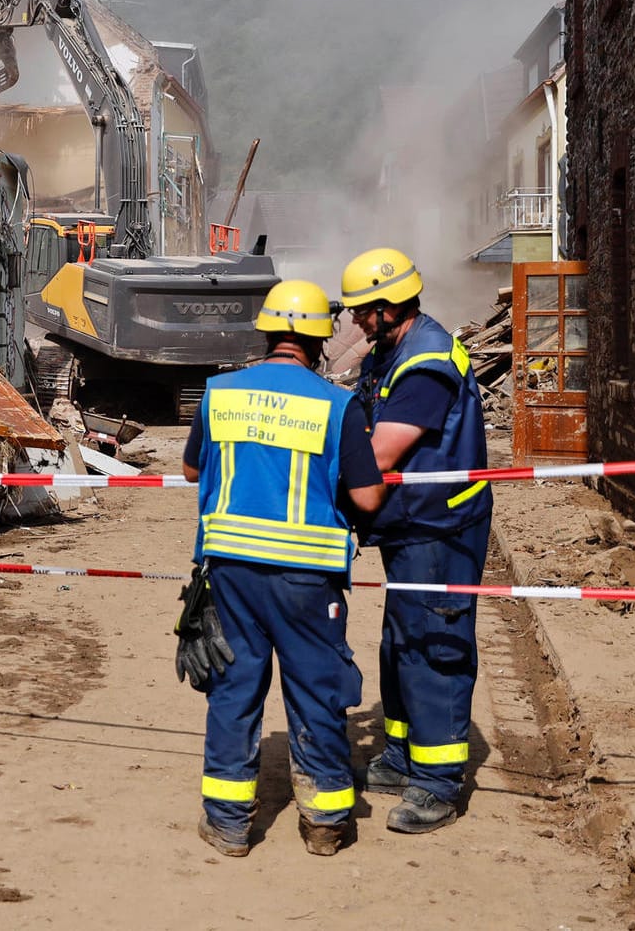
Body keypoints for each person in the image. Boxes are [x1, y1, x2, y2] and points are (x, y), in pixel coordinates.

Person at [177, 280, 386, 857]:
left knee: (233, 692)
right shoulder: (338, 405)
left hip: (230, 575)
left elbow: (194, 471)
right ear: (320, 339)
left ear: (266, 331)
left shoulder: (219, 393)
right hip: (307, 580)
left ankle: (227, 825)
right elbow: (367, 499)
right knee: (317, 693)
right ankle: (323, 825)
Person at [339, 246, 492, 835]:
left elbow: (379, 451)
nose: (354, 320)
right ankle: (403, 756)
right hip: (411, 527)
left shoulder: (425, 362)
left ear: (387, 306)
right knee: (399, 642)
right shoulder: (390, 351)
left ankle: (437, 784)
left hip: (441, 528)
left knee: (435, 645)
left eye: (360, 311)